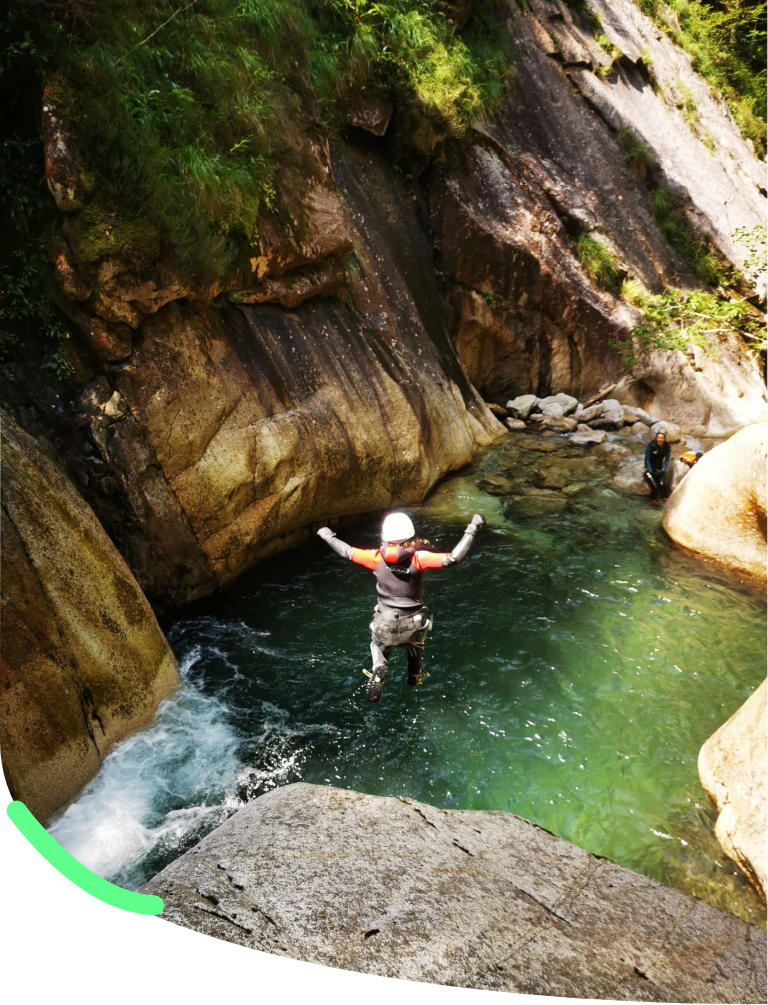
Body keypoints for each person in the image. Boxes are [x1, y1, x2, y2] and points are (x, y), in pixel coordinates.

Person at [317, 512, 486, 702]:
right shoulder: (419, 558)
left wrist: (327, 535)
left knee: (378, 644)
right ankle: (414, 676)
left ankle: (379, 666)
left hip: (385, 621)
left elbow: (346, 551)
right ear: (410, 536)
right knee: (415, 643)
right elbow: (454, 558)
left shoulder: (374, 558)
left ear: (384, 536)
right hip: (413, 623)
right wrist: (473, 527)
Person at [644, 430, 671, 505]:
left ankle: (665, 499)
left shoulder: (666, 446)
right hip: (649, 469)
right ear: (656, 438)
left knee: (662, 485)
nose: (660, 439)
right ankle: (653, 500)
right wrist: (650, 470)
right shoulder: (651, 446)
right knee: (655, 488)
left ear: (664, 439)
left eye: (662, 438)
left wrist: (663, 469)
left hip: (658, 469)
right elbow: (647, 459)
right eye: (658, 437)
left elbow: (667, 459)